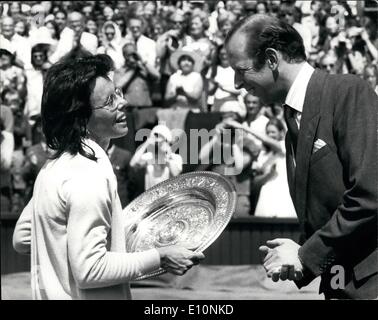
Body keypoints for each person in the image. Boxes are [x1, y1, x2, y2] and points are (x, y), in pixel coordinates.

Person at [12, 54, 204, 300]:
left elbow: (23, 238)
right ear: (80, 117)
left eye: (118, 93)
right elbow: (90, 270)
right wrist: (161, 256)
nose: (122, 103)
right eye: (109, 101)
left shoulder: (56, 164)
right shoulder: (88, 174)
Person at [225, 14, 377, 299]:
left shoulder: (347, 91)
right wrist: (299, 257)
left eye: (240, 70)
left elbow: (371, 194)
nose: (236, 83)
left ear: (271, 59)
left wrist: (307, 254)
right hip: (339, 283)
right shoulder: (293, 117)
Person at [129, 124, 183, 191]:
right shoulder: (149, 156)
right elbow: (132, 164)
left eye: (162, 139)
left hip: (169, 196)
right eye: (156, 138)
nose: (159, 142)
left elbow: (176, 173)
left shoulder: (175, 157)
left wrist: (168, 155)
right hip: (151, 198)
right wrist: (146, 143)